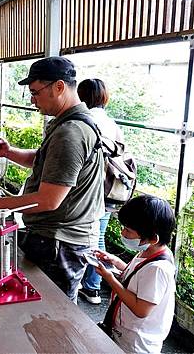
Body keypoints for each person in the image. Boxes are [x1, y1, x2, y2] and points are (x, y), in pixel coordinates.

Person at [0, 57, 104, 302]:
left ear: (58, 87)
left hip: (60, 242)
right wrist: (8, 152)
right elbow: (44, 160)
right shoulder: (69, 123)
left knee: (53, 312)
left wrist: (0, 203)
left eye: (35, 93)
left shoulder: (70, 133)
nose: (33, 100)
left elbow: (49, 200)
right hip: (58, 237)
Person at [93, 195, 176, 353]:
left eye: (129, 230)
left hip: (136, 343)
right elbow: (137, 278)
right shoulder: (149, 251)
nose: (123, 233)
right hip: (124, 332)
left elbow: (141, 309)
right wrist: (116, 262)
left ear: (152, 238)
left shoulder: (158, 268)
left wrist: (110, 279)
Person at [77, 78, 124, 305]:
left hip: (90, 189)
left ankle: (84, 284)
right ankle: (93, 287)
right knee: (98, 237)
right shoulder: (111, 122)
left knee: (87, 237)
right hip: (109, 189)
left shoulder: (84, 120)